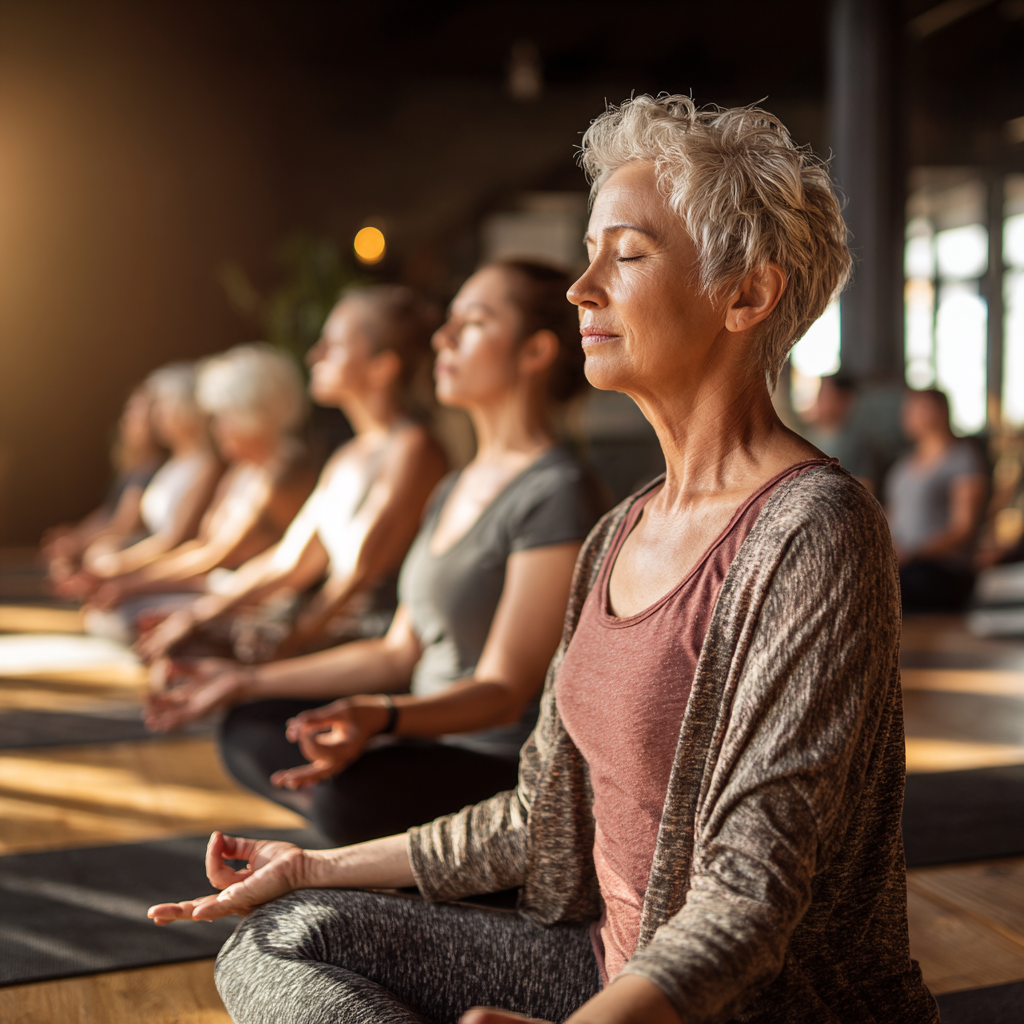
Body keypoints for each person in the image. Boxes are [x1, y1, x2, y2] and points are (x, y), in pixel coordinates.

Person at [150, 97, 938, 1024]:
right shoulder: (619, 530)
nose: (581, 287)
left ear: (746, 296)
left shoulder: (814, 528)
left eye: (628, 255)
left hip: (747, 1008)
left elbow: (749, 893)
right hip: (604, 964)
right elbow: (538, 816)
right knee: (281, 932)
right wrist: (313, 866)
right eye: (589, 251)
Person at [146, 260, 604, 851]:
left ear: (535, 351)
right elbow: (398, 651)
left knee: (345, 795)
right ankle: (401, 847)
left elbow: (503, 691)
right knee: (249, 724)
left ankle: (433, 847)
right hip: (414, 735)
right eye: (449, 322)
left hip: (493, 766)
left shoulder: (556, 490)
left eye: (474, 322)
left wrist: (384, 717)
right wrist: (245, 680)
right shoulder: (455, 485)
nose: (443, 338)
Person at [136, 285, 449, 664]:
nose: (315, 355)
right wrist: (199, 615)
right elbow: (288, 562)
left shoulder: (412, 448)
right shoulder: (349, 453)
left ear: (383, 367)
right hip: (328, 631)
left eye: (332, 346)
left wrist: (285, 649)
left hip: (372, 646)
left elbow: (355, 577)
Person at [80, 345, 319, 642]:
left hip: (255, 604)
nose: (217, 429)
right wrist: (126, 579)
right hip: (219, 592)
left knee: (126, 616)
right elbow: (203, 546)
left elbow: (216, 556)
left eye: (224, 416)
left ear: (255, 412)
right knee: (113, 614)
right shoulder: (241, 470)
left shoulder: (284, 474)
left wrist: (132, 582)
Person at [58, 362, 223, 602]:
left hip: (169, 567)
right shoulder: (169, 464)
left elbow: (172, 540)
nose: (157, 417)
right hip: (149, 559)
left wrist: (119, 565)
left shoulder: (207, 466)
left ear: (188, 409)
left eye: (165, 407)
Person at [43, 383, 165, 587]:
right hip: (111, 541)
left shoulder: (151, 470)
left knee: (98, 554)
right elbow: (107, 512)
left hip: (127, 545)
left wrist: (77, 542)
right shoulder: (133, 467)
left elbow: (124, 525)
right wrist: (75, 534)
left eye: (136, 418)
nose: (127, 423)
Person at [886, 387, 987, 612]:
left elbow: (964, 527)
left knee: (897, 589)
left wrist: (915, 554)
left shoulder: (963, 458)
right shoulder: (903, 465)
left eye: (914, 409)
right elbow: (894, 514)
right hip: (904, 564)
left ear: (937, 411)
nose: (906, 416)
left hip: (943, 569)